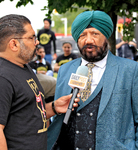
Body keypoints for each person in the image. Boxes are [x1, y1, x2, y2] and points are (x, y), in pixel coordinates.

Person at [48, 10, 138, 150]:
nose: (89, 40)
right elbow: (59, 119)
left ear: (106, 36)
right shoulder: (65, 69)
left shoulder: (130, 70)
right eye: (82, 35)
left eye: (95, 34)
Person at [0, 14, 80, 150]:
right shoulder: (3, 77)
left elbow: (28, 113)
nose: (37, 42)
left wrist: (54, 107)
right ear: (14, 44)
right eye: (32, 37)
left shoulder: (24, 67)